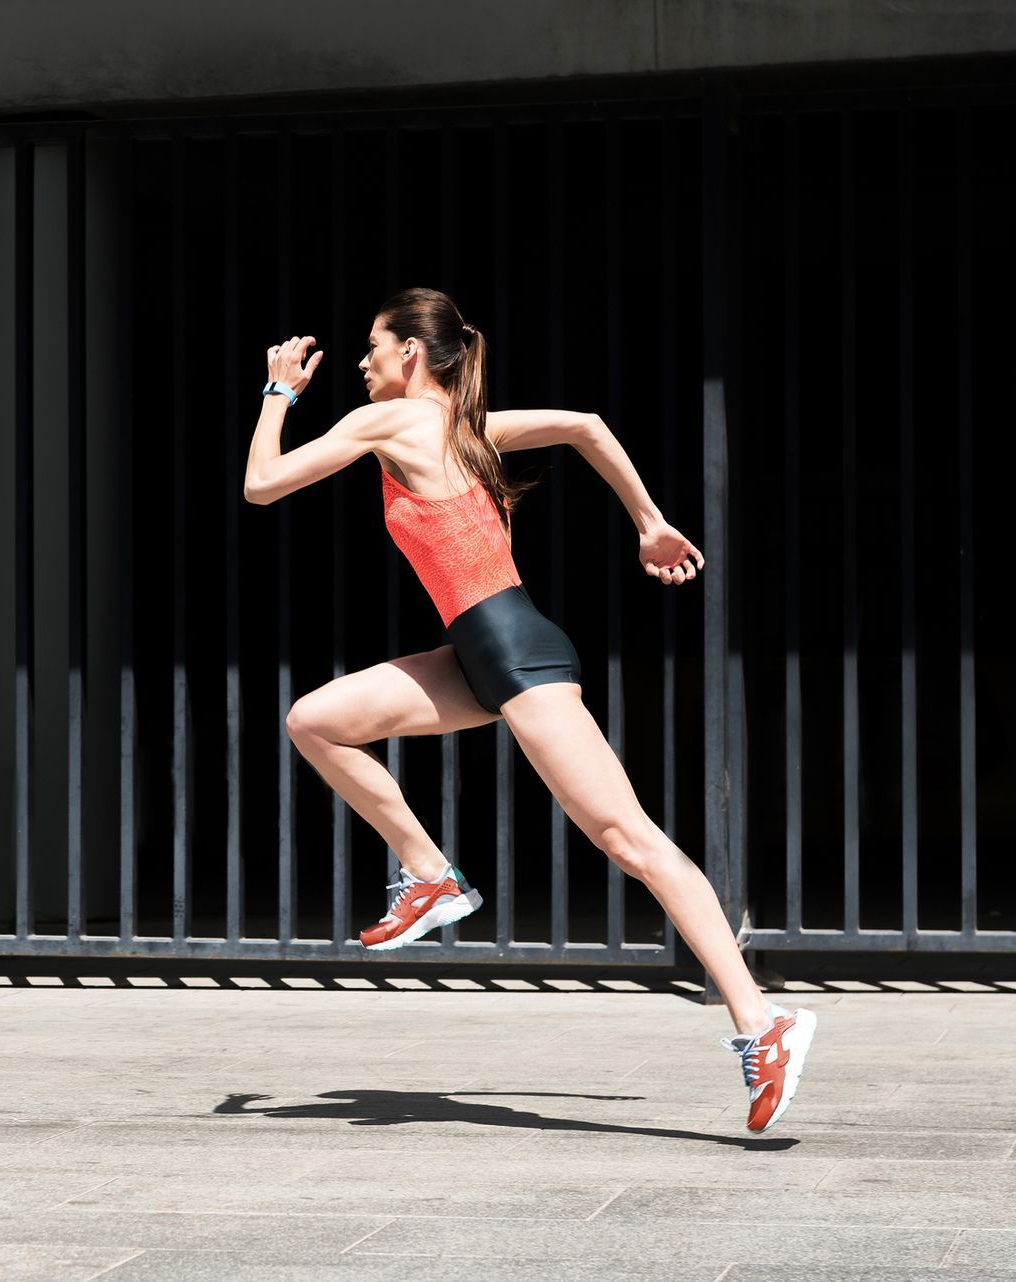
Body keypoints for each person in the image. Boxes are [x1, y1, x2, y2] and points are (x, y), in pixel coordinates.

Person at [242, 287, 816, 1135]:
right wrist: (649, 524)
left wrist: (279, 393)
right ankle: (431, 874)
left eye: (373, 345)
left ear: (412, 353)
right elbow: (586, 423)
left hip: (513, 654)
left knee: (630, 840)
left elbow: (261, 484)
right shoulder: (470, 431)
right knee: (315, 719)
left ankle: (763, 1022)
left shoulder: (389, 425)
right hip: (478, 655)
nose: (362, 362)